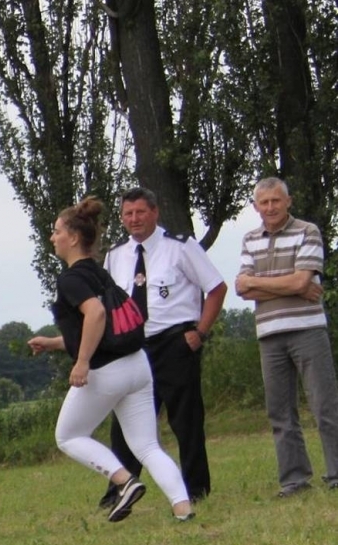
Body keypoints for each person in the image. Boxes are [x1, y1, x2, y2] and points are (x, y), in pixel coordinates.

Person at [28, 198, 194, 522]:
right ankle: (183, 507)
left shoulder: (71, 279)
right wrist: (55, 343)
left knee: (68, 436)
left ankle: (125, 481)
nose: (53, 237)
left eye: (57, 231)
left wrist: (82, 362)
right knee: (147, 446)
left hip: (106, 372)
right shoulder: (100, 273)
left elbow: (97, 314)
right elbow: (102, 327)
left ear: (74, 238)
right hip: (137, 365)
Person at [98, 187, 227, 506]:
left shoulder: (180, 248)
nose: (134, 219)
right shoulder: (116, 256)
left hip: (175, 342)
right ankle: (121, 489)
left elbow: (216, 288)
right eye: (128, 214)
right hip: (133, 346)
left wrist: (200, 332)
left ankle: (195, 488)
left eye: (140, 212)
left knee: (185, 420)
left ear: (154, 212)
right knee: (127, 422)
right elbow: (108, 303)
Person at [233, 176, 338, 496]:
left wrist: (259, 283)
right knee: (279, 411)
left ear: (287, 202)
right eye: (263, 203)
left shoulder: (308, 231)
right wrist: (290, 282)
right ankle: (294, 480)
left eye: (275, 201)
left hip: (307, 329)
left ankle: (336, 474)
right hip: (268, 334)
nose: (270, 207)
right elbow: (240, 286)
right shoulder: (250, 238)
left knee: (325, 405)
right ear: (255, 207)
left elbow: (300, 281)